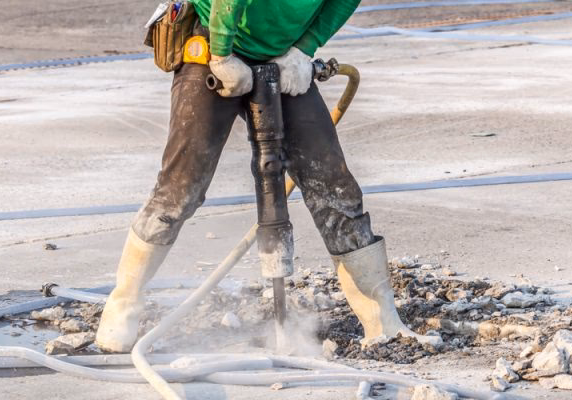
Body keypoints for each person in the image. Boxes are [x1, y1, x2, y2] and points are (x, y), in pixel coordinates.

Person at [95, 0, 440, 352]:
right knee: (182, 187)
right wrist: (222, 54)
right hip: (213, 38)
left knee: (334, 187)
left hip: (282, 54)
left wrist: (303, 49)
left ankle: (383, 323)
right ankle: (123, 304)